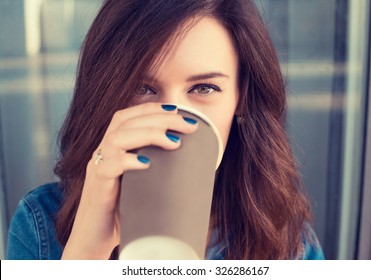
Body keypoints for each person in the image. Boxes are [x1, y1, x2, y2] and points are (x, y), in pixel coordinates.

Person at [6, 0, 324, 260]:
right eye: (143, 88)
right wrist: (87, 252)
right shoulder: (39, 224)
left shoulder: (286, 240)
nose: (170, 119)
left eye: (204, 87)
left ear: (240, 98)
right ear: (108, 96)